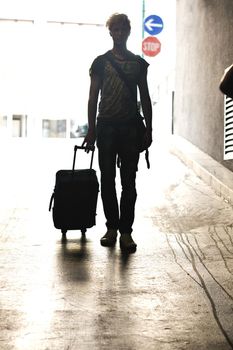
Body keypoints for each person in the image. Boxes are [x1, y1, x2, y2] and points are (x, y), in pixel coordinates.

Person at [82, 13, 152, 253]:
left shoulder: (138, 64)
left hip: (130, 128)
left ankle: (126, 232)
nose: (119, 33)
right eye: (115, 30)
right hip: (106, 127)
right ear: (110, 32)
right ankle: (111, 227)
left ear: (128, 32)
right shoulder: (100, 62)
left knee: (129, 182)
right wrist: (91, 129)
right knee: (107, 179)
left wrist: (149, 129)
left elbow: (145, 97)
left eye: (123, 29)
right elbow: (92, 98)